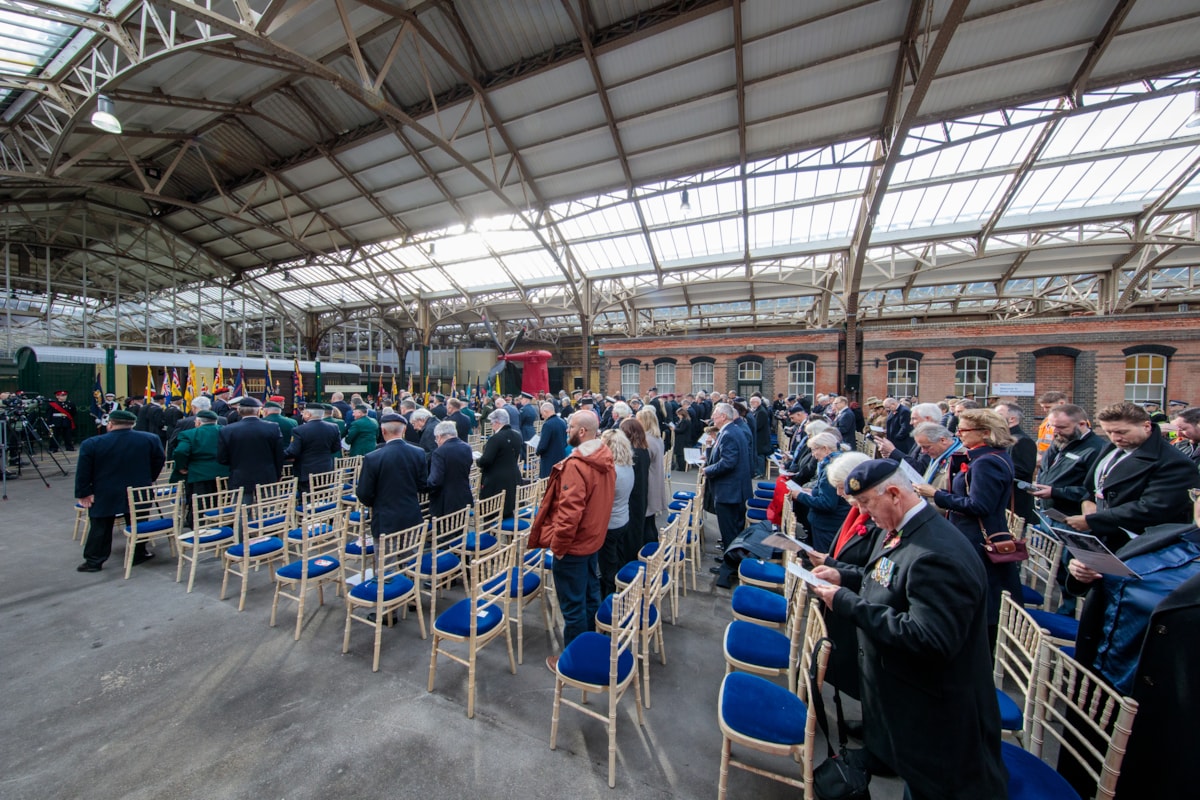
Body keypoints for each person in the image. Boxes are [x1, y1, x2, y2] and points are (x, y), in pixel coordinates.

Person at [812, 459, 1007, 799]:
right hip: (903, 697)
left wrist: (846, 603)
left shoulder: (936, 553)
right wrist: (844, 576)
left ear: (893, 494)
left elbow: (929, 638)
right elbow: (887, 578)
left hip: (935, 713)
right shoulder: (906, 530)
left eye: (866, 504)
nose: (863, 513)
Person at [1057, 491, 1200, 799]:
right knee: (1082, 775)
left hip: (1162, 705)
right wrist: (1085, 576)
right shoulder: (1170, 535)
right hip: (1102, 678)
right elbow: (1111, 582)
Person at [916, 408, 1023, 644]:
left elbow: (979, 505)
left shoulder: (987, 462)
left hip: (977, 539)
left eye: (963, 430)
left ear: (985, 433)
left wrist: (937, 494)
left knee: (980, 598)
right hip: (972, 533)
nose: (958, 434)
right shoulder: (984, 457)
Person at [531, 411, 615, 667]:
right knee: (589, 596)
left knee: (572, 605)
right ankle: (588, 647)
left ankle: (574, 661)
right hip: (592, 541)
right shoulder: (605, 457)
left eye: (570, 426)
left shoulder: (577, 465)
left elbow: (569, 514)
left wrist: (558, 547)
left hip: (574, 546)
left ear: (582, 432)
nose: (566, 430)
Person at [1063, 402, 1198, 550]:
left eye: (1122, 432)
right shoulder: (1112, 448)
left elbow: (1153, 509)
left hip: (1142, 545)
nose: (1115, 438)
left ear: (1146, 426)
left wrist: (1096, 520)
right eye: (1109, 432)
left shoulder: (1174, 462)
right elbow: (1096, 485)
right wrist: (1087, 501)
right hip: (1105, 537)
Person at [74, 409, 167, 572]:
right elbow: (159, 460)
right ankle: (138, 553)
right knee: (138, 523)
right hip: (139, 489)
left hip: (105, 491)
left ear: (110, 424)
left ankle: (94, 561)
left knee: (100, 526)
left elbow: (83, 471)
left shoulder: (92, 443)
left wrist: (83, 493)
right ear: (132, 424)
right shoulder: (150, 439)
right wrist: (149, 478)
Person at [704, 402, 753, 589]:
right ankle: (728, 557)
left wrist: (708, 470)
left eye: (715, 414)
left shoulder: (729, 433)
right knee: (731, 530)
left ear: (723, 416)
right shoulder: (731, 430)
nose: (713, 417)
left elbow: (728, 462)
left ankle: (729, 568)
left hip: (730, 491)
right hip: (733, 489)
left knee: (730, 530)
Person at [1029, 403, 1107, 517]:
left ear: (1082, 424)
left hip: (1072, 517)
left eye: (1061, 427)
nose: (1055, 431)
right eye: (1051, 426)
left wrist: (1055, 493)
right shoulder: (1060, 441)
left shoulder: (1096, 450)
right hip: (1047, 512)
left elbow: (1094, 491)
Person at [356, 413, 428, 534]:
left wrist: (376, 503)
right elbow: (423, 485)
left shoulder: (372, 458)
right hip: (411, 515)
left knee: (386, 552)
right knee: (411, 552)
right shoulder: (418, 453)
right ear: (404, 429)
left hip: (385, 518)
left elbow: (363, 493)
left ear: (383, 430)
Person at [787, 431, 850, 552]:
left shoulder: (831, 469)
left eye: (814, 450)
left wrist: (800, 496)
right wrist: (813, 492)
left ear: (825, 449)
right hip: (829, 523)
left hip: (828, 525)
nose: (813, 455)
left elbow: (827, 503)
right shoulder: (835, 462)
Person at [217, 397, 284, 498]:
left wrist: (236, 464)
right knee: (268, 510)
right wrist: (277, 474)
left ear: (239, 411)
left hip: (240, 477)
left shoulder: (227, 430)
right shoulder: (272, 427)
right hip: (267, 476)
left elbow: (222, 458)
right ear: (258, 411)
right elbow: (279, 455)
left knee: (242, 510)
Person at [599, 429, 635, 598]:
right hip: (623, 518)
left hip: (610, 523)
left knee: (608, 562)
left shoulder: (612, 471)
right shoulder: (627, 465)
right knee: (617, 557)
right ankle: (618, 587)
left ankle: (610, 595)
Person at [993, 402, 1038, 525]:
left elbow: (1022, 470)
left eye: (998, 415)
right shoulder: (1003, 438)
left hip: (1016, 506)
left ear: (1012, 419)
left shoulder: (1022, 441)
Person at [285, 402, 342, 492]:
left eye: (303, 412)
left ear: (308, 414)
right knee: (323, 497)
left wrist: (279, 454)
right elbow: (336, 448)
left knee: (307, 500)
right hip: (326, 469)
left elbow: (293, 451)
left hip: (306, 471)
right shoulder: (333, 427)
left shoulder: (299, 430)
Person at [478, 407, 524, 519]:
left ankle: (491, 533)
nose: (492, 426)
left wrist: (478, 460)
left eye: (492, 423)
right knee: (508, 508)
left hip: (497, 480)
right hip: (513, 476)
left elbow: (486, 460)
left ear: (498, 422)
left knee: (491, 512)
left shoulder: (496, 438)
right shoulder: (517, 435)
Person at [427, 420, 473, 517]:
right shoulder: (466, 447)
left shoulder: (439, 452)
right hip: (463, 495)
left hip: (445, 501)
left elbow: (435, 480)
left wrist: (425, 486)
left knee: (444, 530)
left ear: (439, 436)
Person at [636, 408, 668, 546]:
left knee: (646, 522)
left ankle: (650, 551)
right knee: (650, 522)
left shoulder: (647, 440)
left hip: (650, 480)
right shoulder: (656, 437)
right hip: (656, 479)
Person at [620, 417, 650, 561]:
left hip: (634, 496)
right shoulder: (643, 449)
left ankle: (631, 562)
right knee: (636, 529)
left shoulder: (634, 453)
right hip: (641, 494)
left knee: (632, 532)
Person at [535, 401, 567, 478]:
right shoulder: (562, 422)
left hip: (549, 460)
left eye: (542, 414)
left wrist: (537, 452)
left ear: (546, 411)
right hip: (561, 457)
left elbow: (543, 445)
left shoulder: (547, 424)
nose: (542, 416)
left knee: (548, 483)